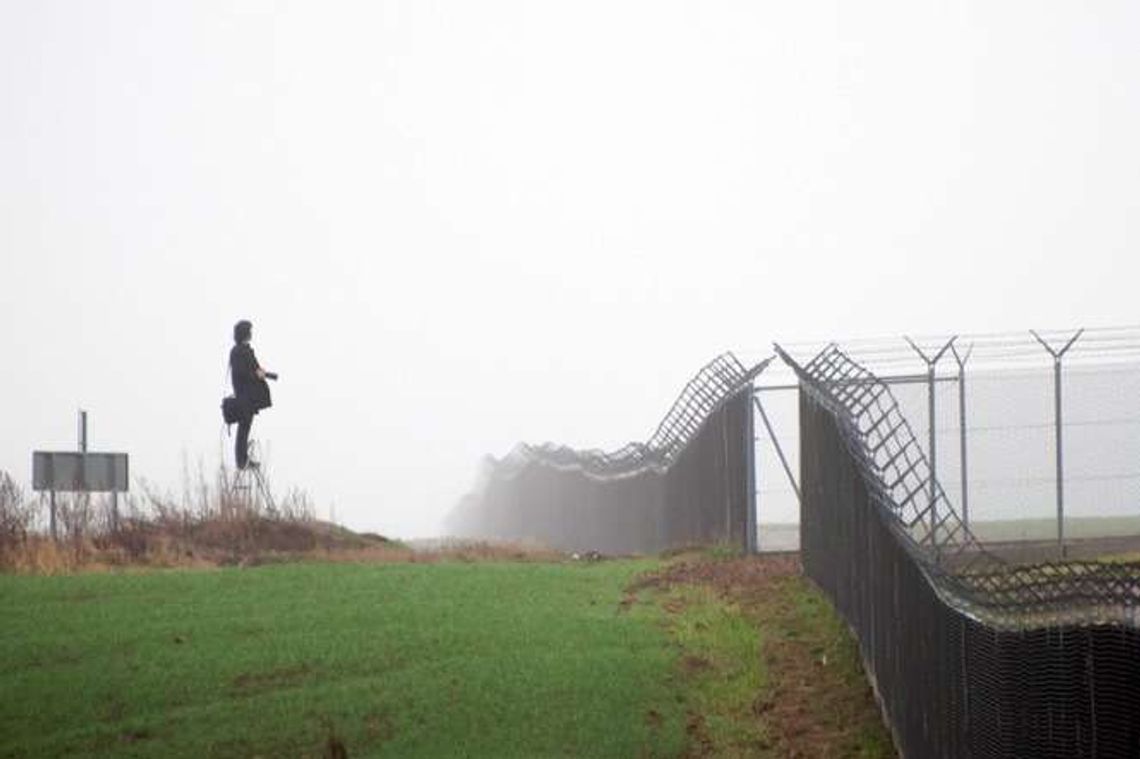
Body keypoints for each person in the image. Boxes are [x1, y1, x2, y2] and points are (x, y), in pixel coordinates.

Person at [229, 320, 275, 469]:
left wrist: (263, 373)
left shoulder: (245, 350)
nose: (251, 334)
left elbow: (252, 369)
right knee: (243, 429)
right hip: (244, 397)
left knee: (245, 428)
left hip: (249, 397)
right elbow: (242, 373)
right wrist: (257, 375)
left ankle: (243, 459)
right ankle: (241, 461)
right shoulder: (238, 351)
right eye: (249, 331)